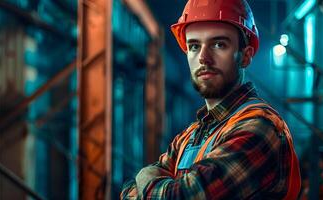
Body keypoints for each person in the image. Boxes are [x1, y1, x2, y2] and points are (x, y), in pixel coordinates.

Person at [120, 0, 301, 199]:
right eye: (194, 46)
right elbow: (127, 193)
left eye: (218, 44)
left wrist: (145, 175)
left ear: (246, 56)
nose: (203, 57)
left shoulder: (260, 127)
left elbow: (179, 197)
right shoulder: (190, 135)